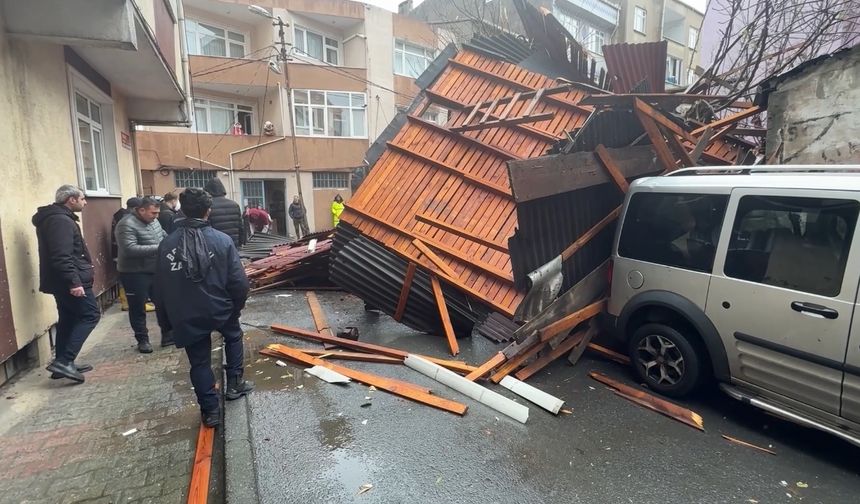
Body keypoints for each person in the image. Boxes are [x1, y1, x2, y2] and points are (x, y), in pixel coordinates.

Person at [154, 188, 254, 427]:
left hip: (186, 312)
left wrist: (166, 323)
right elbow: (239, 282)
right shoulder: (222, 241)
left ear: (182, 209)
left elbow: (158, 288)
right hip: (220, 307)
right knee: (233, 337)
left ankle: (210, 410)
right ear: (208, 211)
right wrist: (235, 308)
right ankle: (235, 384)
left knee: (199, 361)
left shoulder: (167, 244)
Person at [32, 185, 100, 383]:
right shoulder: (60, 220)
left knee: (69, 319)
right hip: (70, 281)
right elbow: (62, 256)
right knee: (90, 315)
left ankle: (61, 363)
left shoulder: (59, 218)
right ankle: (65, 361)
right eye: (82, 198)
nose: (85, 202)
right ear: (71, 199)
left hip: (65, 280)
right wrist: (74, 282)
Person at [116, 197, 171, 352]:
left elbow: (163, 235)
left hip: (156, 270)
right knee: (137, 307)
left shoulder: (154, 221)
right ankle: (142, 340)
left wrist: (171, 241)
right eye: (153, 213)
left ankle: (168, 335)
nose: (156, 216)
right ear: (141, 210)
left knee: (163, 303)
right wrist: (159, 248)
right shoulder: (126, 224)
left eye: (157, 213)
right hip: (134, 273)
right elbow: (129, 249)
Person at [203, 177, 245, 248]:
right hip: (233, 243)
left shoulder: (208, 206)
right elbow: (240, 227)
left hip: (216, 245)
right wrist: (241, 243)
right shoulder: (234, 204)